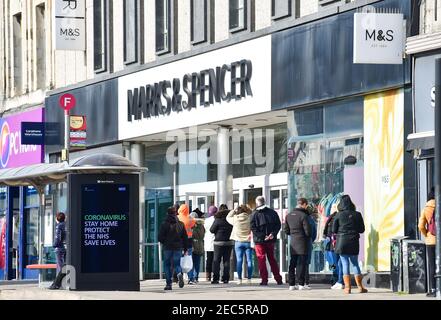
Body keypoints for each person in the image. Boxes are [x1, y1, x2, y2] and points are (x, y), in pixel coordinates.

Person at [332, 195, 367, 294]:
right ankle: (360, 287)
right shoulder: (357, 214)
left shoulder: (338, 215)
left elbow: (333, 230)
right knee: (355, 263)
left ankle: (347, 288)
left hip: (342, 241)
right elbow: (362, 230)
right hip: (353, 241)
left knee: (345, 263)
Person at [250, 196, 283, 286]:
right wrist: (272, 234)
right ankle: (278, 279)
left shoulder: (254, 214)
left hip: (259, 241)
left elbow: (253, 227)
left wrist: (262, 236)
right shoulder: (272, 212)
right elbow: (278, 225)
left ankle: (264, 280)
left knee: (261, 259)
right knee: (272, 259)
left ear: (257, 203)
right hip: (270, 240)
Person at [158, 206, 188, 290]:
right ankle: (179, 273)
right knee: (177, 264)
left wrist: (165, 241)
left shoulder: (164, 224)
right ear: (176, 214)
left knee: (167, 265)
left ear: (167, 213)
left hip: (167, 247)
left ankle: (168, 284)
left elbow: (159, 237)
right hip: (178, 247)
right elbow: (185, 238)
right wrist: (185, 249)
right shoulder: (181, 224)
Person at [284, 198, 311, 290]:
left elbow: (286, 230)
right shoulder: (303, 215)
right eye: (306, 205)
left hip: (293, 242)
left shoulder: (288, 215)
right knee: (301, 264)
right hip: (302, 242)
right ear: (303, 204)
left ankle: (291, 284)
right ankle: (301, 284)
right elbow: (308, 231)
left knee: (292, 263)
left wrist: (293, 234)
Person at [227, 204, 253, 285]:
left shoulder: (235, 219)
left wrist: (233, 210)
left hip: (238, 242)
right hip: (248, 242)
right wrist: (249, 209)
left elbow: (227, 217)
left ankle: (239, 279)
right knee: (249, 260)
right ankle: (249, 279)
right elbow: (252, 213)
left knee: (239, 260)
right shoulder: (250, 218)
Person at [418, 187, 436, 297]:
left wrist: (427, 235)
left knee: (432, 265)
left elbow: (420, 226)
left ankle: (433, 289)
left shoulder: (426, 208)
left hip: (431, 241)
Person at [210, 204, 234, 284]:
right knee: (226, 260)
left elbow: (212, 230)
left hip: (218, 243)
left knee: (216, 260)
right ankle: (226, 278)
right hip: (229, 242)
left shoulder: (217, 219)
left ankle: (216, 278)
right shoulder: (231, 219)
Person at [323, 202, 344, 289]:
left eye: (332, 207)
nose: (331, 208)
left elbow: (329, 231)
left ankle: (337, 279)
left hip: (333, 244)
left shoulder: (333, 218)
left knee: (335, 263)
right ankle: (337, 279)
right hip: (333, 243)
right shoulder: (333, 217)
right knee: (336, 263)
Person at [178, 204, 196, 284]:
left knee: (178, 260)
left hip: (179, 242)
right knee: (189, 260)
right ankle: (191, 278)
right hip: (188, 241)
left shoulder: (177, 218)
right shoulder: (190, 219)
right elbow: (194, 224)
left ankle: (179, 275)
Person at [48, 212, 67, 290]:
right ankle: (58, 284)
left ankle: (57, 284)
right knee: (63, 266)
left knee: (61, 267)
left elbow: (57, 238)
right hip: (65, 248)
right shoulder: (66, 225)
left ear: (57, 218)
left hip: (59, 248)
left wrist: (54, 245)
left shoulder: (59, 226)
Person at [303, 199, 317, 289]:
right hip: (308, 242)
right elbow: (314, 233)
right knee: (306, 263)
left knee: (300, 262)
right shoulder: (311, 220)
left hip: (299, 242)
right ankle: (306, 282)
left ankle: (300, 281)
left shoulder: (300, 218)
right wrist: (311, 240)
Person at [190, 208, 205, 283]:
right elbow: (203, 235)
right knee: (197, 263)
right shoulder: (202, 226)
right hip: (200, 245)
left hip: (193, 245)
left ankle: (192, 277)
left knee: (191, 263)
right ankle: (196, 277)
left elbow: (191, 235)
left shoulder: (193, 226)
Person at [204, 206, 217, 282]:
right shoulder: (216, 219)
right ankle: (215, 274)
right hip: (215, 240)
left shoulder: (207, 220)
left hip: (208, 240)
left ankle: (208, 276)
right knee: (216, 260)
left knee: (209, 259)